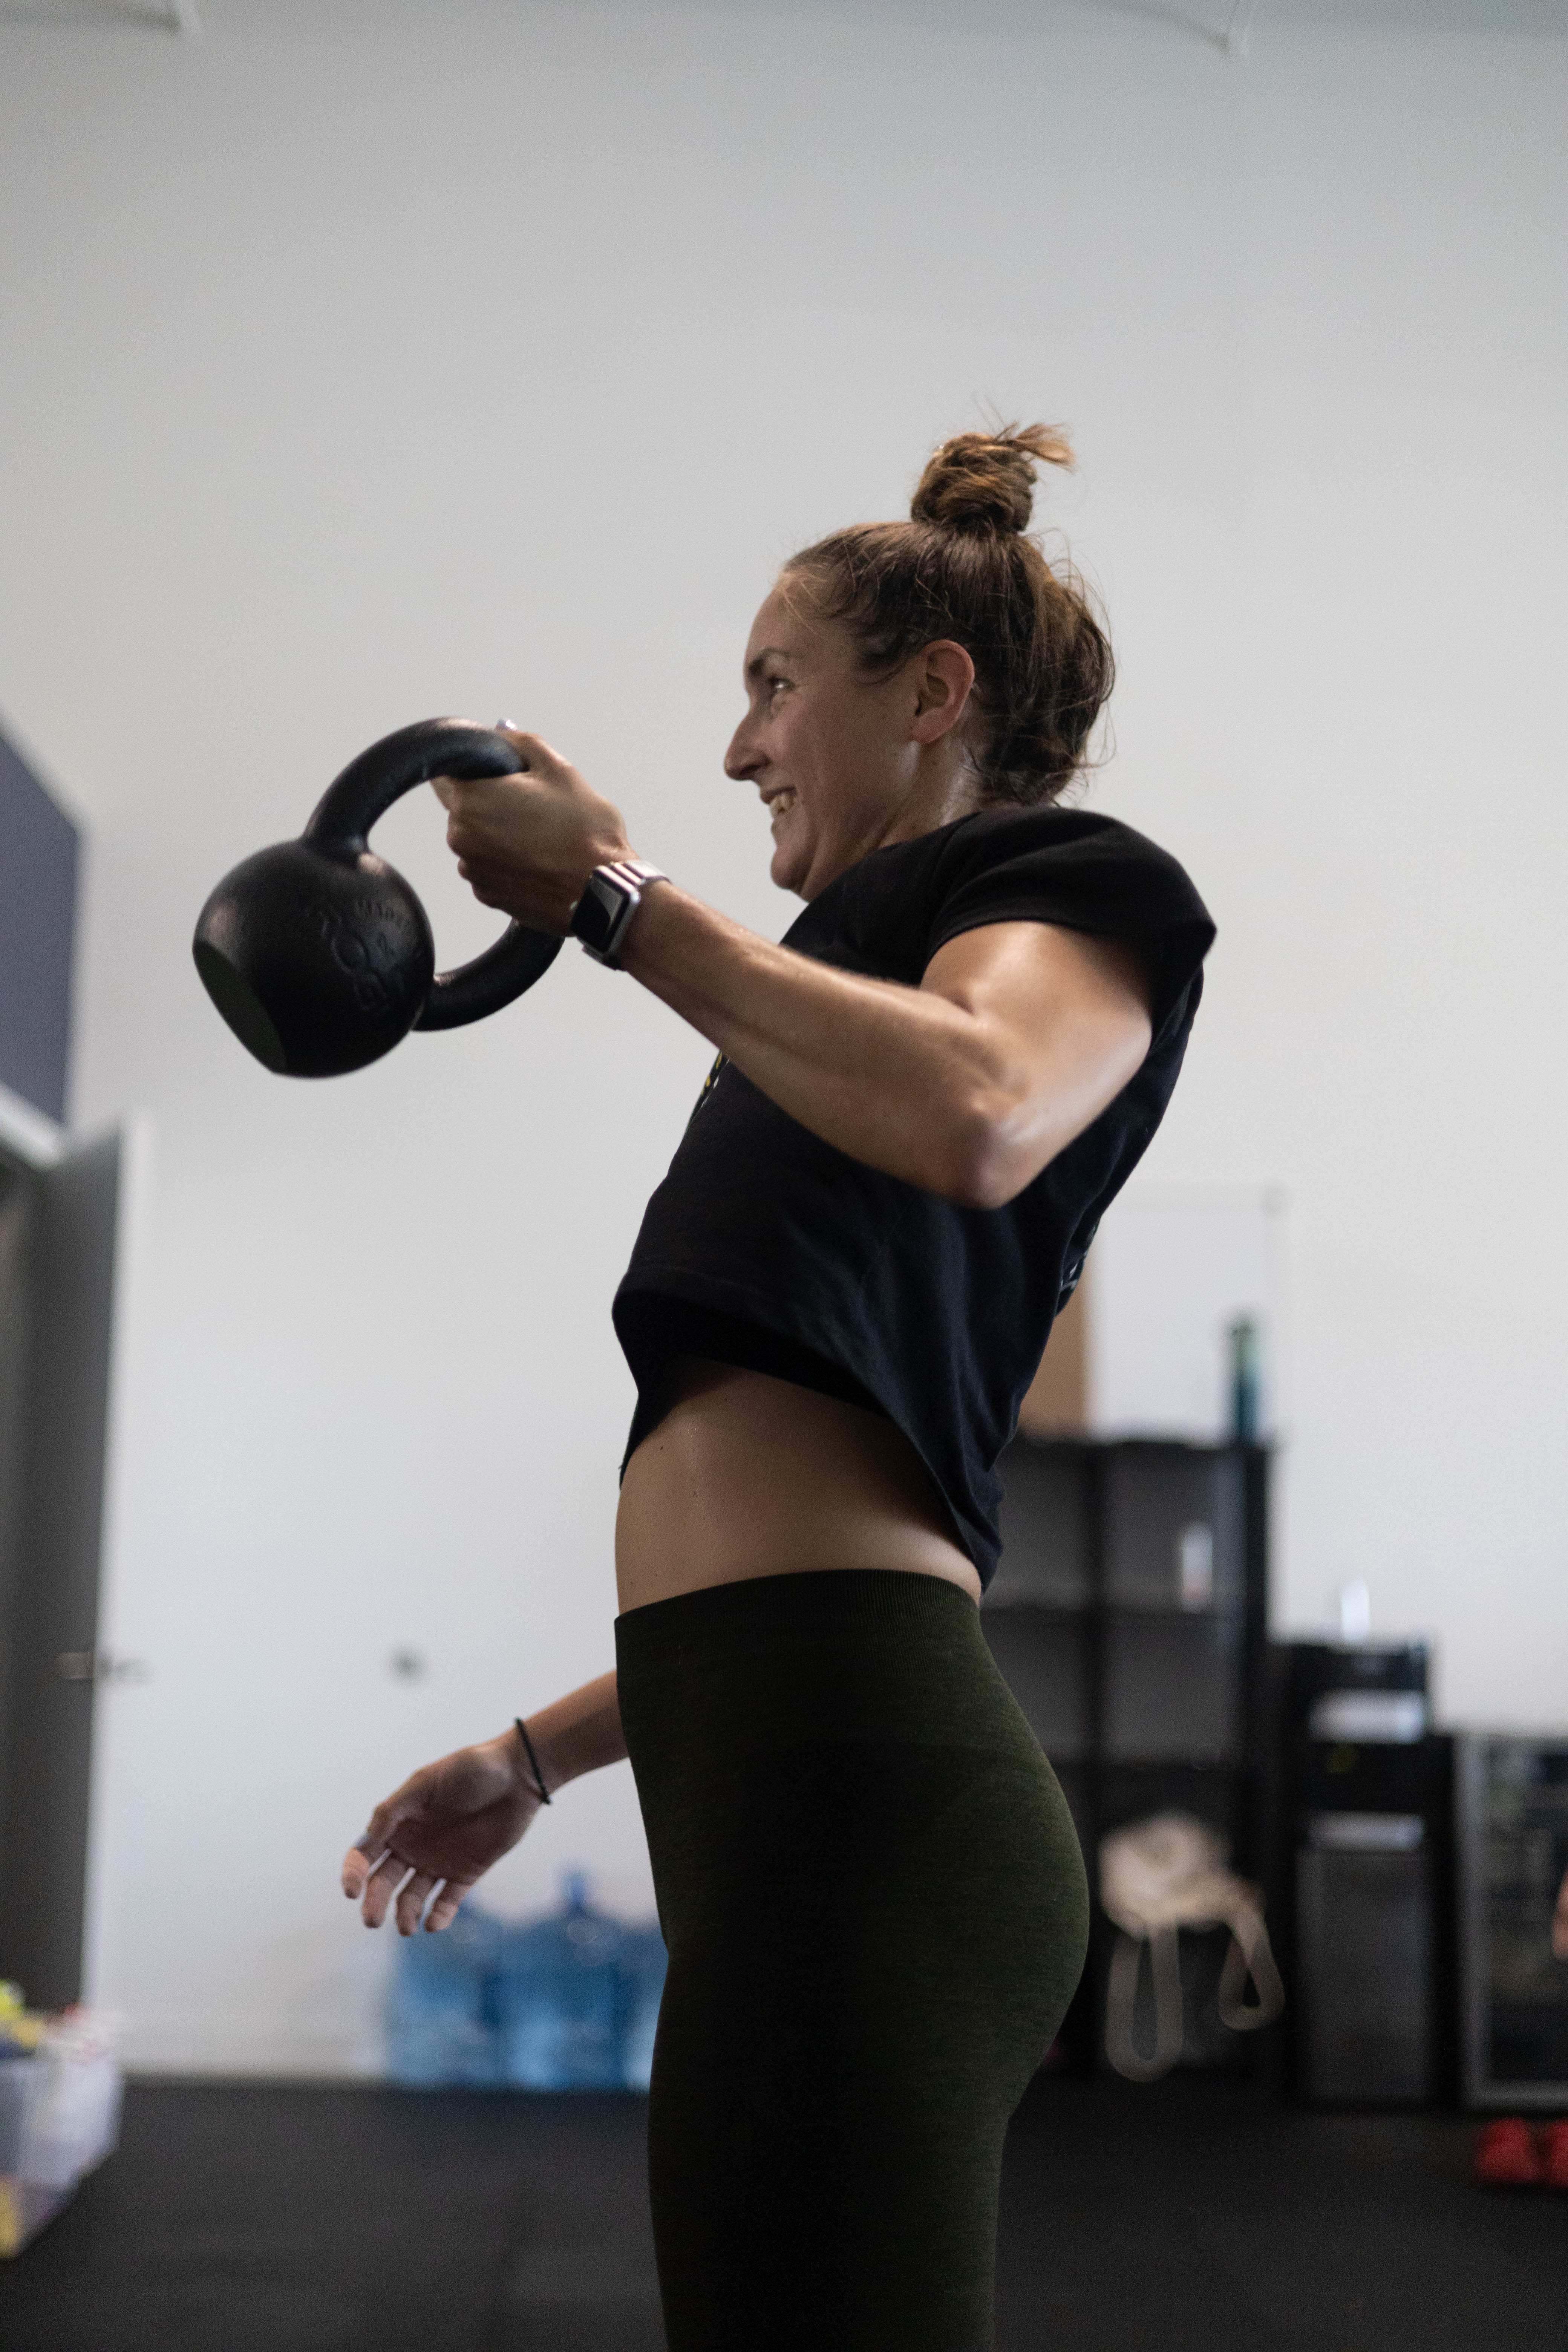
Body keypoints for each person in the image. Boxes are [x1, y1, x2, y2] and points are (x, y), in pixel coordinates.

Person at [341, 424, 1215, 2351]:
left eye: (771, 684)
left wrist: (618, 903)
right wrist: (536, 1755)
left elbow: (989, 1109)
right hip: (779, 1777)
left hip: (870, 1814)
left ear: (931, 695)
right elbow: (794, 1560)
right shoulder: (830, 1017)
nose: (738, 748)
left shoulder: (1071, 885)